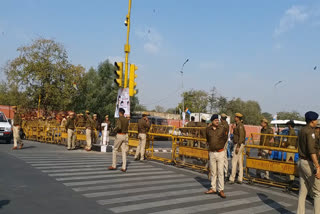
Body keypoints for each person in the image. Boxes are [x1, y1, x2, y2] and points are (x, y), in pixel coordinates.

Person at [297, 111, 320, 214]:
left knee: (303, 191)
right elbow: (312, 151)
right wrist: (317, 166)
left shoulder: (302, 130)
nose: (317, 121)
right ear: (312, 121)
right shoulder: (310, 132)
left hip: (301, 161)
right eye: (316, 120)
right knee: (317, 192)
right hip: (308, 163)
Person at [204, 114, 227, 198]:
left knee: (220, 172)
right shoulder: (208, 129)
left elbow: (225, 138)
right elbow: (207, 138)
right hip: (212, 153)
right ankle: (213, 188)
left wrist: (220, 145)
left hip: (220, 152)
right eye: (215, 120)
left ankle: (221, 190)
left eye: (218, 120)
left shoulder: (222, 128)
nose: (217, 121)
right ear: (212, 121)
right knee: (213, 171)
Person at [229, 113, 246, 184]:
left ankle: (232, 178)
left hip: (238, 144)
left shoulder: (240, 126)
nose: (234, 118)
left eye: (235, 117)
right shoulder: (238, 125)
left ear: (238, 118)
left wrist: (238, 146)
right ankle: (240, 178)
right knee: (239, 162)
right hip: (238, 144)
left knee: (234, 161)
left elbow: (241, 136)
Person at [220, 113, 230, 179]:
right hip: (222, 141)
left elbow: (224, 135)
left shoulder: (225, 125)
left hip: (223, 142)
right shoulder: (224, 124)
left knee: (224, 157)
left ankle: (225, 172)